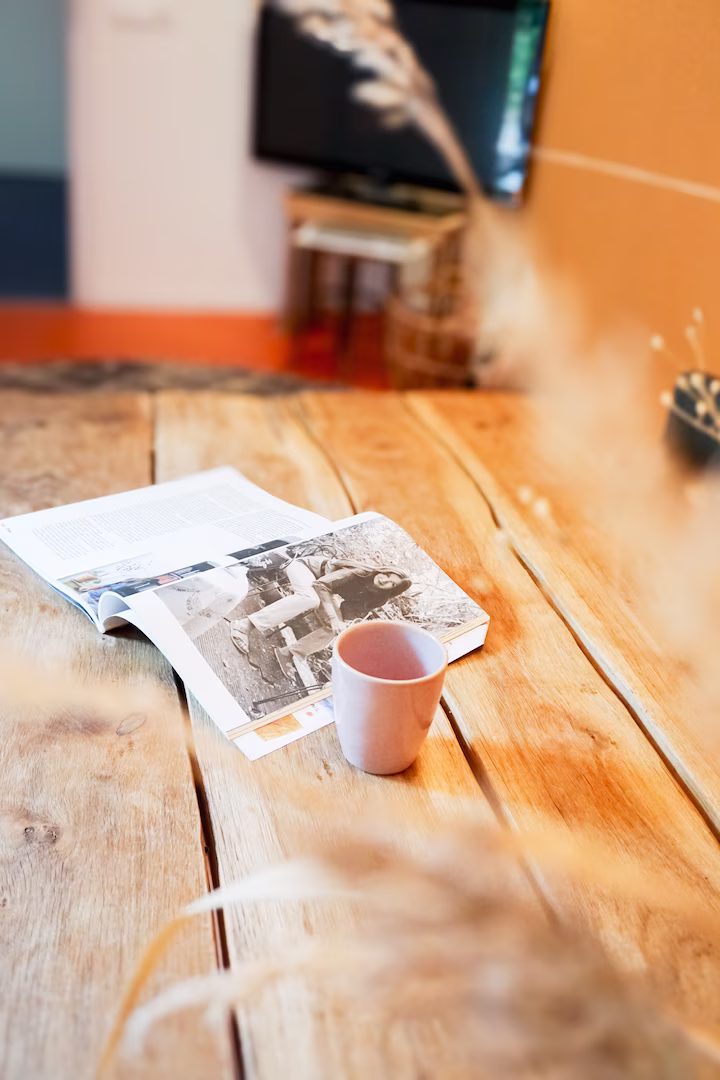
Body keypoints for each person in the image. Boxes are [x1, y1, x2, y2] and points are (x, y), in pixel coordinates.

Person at [230, 556, 411, 673]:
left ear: (391, 591)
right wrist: (332, 617)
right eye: (388, 574)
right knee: (310, 599)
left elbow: (347, 612)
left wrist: (339, 624)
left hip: (322, 588)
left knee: (337, 629)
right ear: (384, 570)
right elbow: (321, 585)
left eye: (391, 583)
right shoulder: (360, 573)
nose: (385, 579)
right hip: (305, 569)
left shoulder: (376, 597)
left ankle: (289, 653)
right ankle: (245, 625)